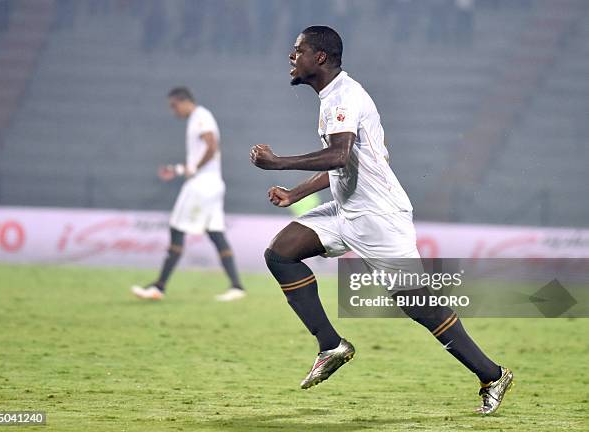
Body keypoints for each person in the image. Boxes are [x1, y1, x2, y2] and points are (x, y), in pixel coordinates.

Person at [250, 26, 513, 414]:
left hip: (378, 218)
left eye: (298, 50)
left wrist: (279, 163)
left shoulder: (343, 96)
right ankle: (330, 344)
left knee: (420, 306)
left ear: (319, 57)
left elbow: (339, 156)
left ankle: (492, 375)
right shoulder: (333, 98)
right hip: (347, 211)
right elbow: (349, 163)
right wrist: (296, 194)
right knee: (281, 253)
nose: (292, 57)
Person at [132, 87, 246, 302]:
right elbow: (200, 158)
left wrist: (193, 169)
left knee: (176, 228)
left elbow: (212, 146)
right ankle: (237, 287)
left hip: (201, 186)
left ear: (183, 101)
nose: (173, 111)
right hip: (213, 184)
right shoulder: (199, 118)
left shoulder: (200, 116)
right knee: (216, 234)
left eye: (173, 106)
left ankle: (159, 286)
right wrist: (178, 170)